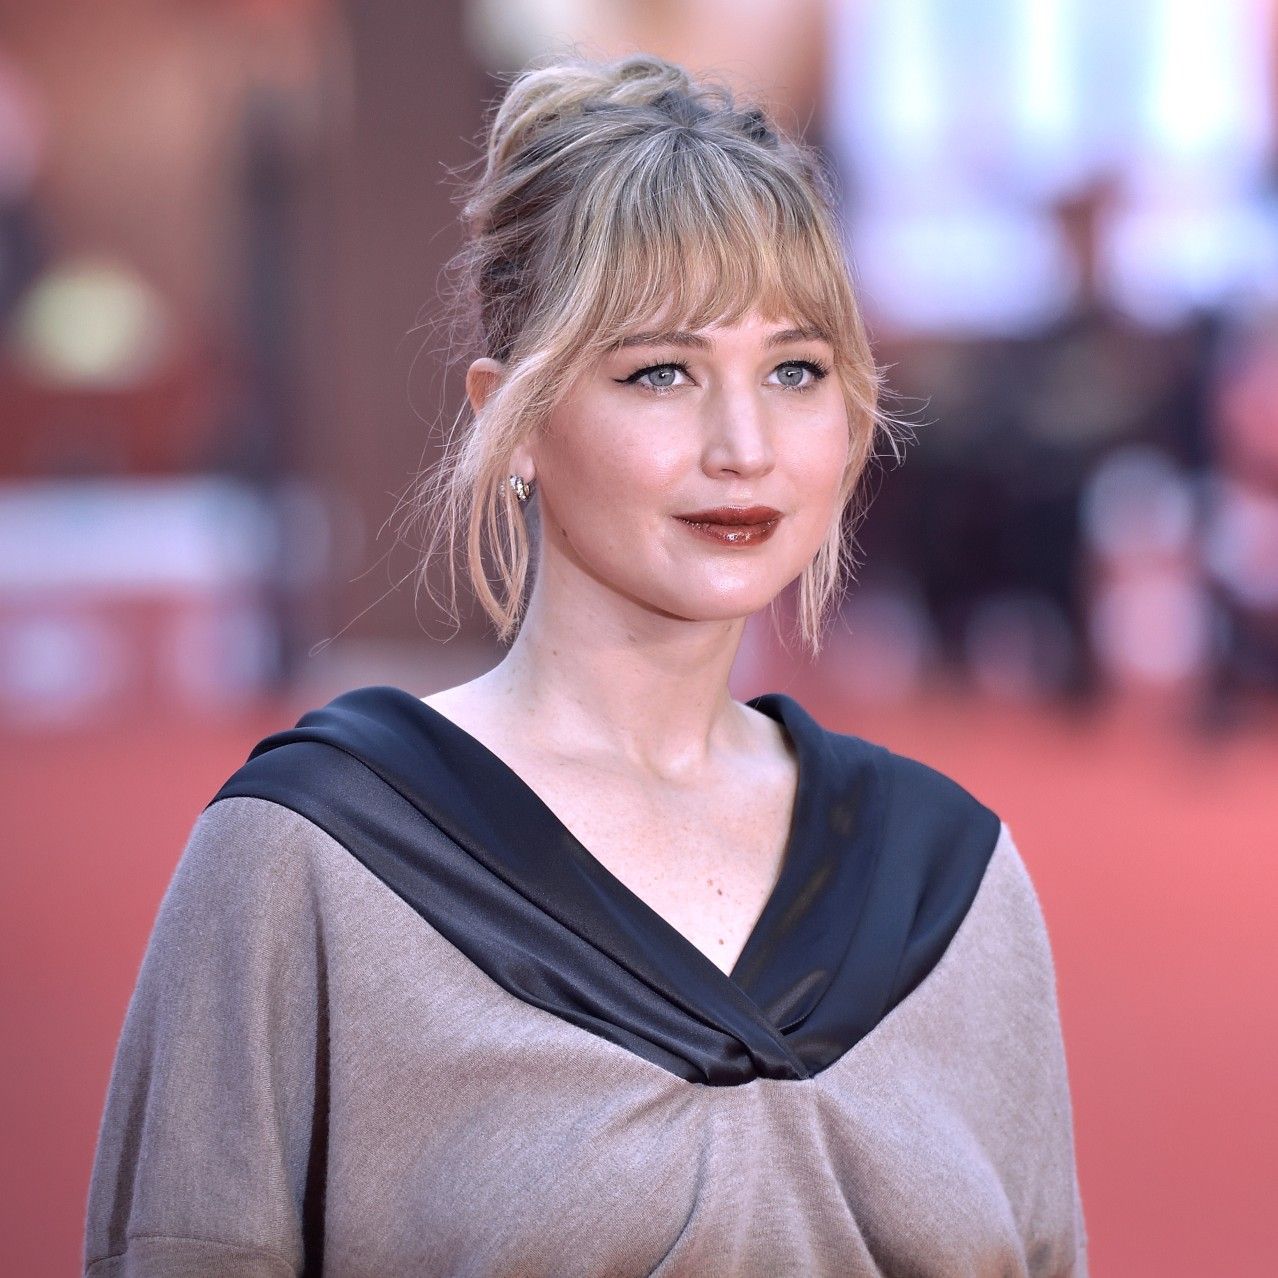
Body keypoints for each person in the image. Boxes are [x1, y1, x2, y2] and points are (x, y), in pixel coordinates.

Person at [84, 51, 1088, 1277]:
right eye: (661, 372)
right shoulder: (313, 858)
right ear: (511, 420)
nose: (743, 445)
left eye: (795, 371)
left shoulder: (953, 877)